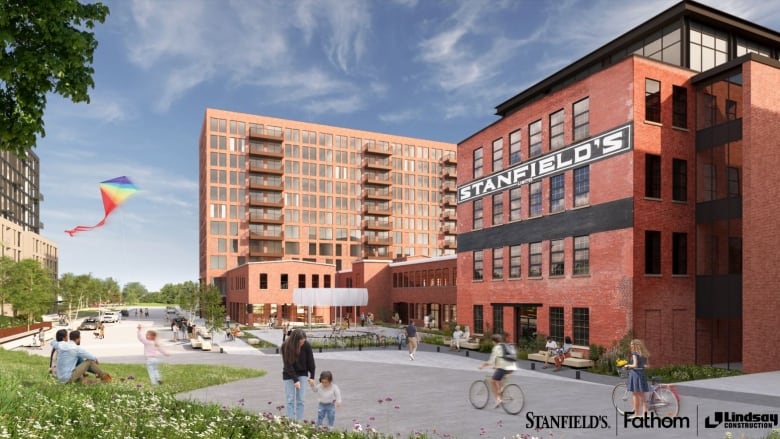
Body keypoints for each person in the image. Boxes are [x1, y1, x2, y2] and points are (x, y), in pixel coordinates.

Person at [281, 329, 316, 421]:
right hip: (289, 374)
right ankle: (291, 422)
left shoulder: (306, 345)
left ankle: (299, 422)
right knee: (290, 400)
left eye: (303, 341)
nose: (302, 344)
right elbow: (287, 365)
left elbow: (311, 361)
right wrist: (295, 380)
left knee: (301, 400)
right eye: (300, 342)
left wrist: (312, 376)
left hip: (302, 373)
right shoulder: (286, 346)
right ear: (295, 340)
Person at [479, 333, 518, 408]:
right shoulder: (505, 345)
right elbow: (502, 357)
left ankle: (498, 399)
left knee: (493, 381)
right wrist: (496, 366)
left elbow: (491, 360)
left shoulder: (496, 348)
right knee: (499, 379)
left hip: (503, 367)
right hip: (512, 367)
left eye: (492, 341)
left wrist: (483, 365)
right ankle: (501, 391)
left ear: (493, 341)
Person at [625, 339, 650, 418]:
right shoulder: (644, 354)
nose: (631, 346)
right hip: (642, 374)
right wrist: (641, 366)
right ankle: (645, 414)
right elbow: (647, 366)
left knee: (635, 395)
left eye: (632, 345)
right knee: (642, 395)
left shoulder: (634, 353)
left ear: (635, 345)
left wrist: (628, 365)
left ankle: (636, 414)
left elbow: (635, 365)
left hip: (635, 375)